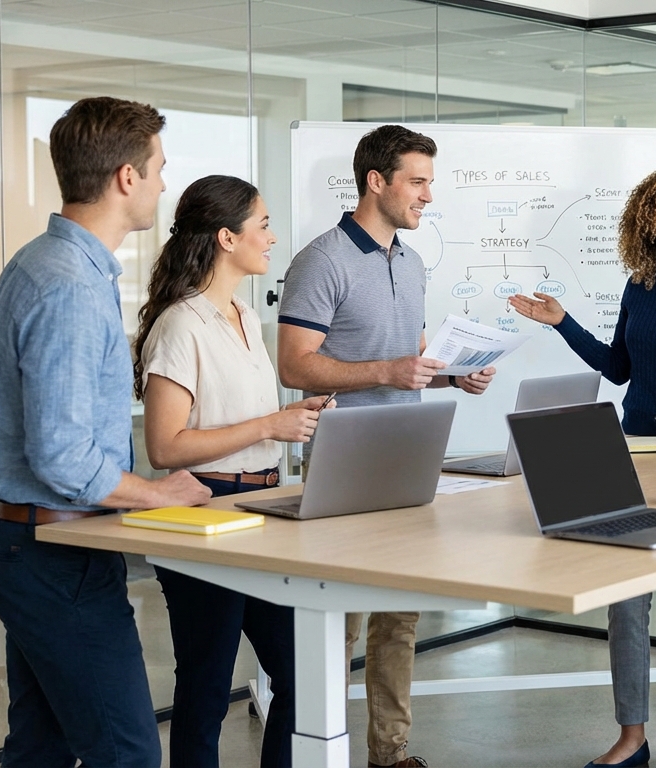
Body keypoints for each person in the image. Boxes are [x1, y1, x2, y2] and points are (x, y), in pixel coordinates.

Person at [0, 96, 212, 765]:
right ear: (126, 178)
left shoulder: (48, 263)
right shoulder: (69, 284)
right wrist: (158, 495)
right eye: (158, 167)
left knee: (41, 748)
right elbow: (64, 457)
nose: (164, 182)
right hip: (51, 551)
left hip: (33, 542)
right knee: (126, 752)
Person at [510, 167, 656, 768]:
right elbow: (618, 369)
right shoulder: (639, 288)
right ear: (650, 223)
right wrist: (562, 322)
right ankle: (631, 735)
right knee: (626, 604)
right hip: (634, 453)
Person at [276, 124, 495, 768]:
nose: (428, 194)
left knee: (399, 619)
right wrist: (387, 371)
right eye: (418, 181)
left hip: (407, 454)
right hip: (342, 460)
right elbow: (294, 365)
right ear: (378, 181)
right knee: (338, 621)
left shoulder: (412, 259)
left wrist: (455, 373)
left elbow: (411, 353)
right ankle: (319, 748)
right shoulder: (320, 260)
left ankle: (390, 755)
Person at [132, 175, 332, 768]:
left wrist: (289, 417)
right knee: (208, 685)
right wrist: (270, 425)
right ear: (226, 237)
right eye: (263, 224)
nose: (273, 237)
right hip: (203, 508)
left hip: (262, 506)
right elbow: (165, 447)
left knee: (301, 674)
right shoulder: (180, 324)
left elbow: (248, 418)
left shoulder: (244, 314)